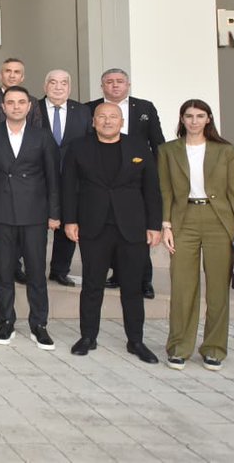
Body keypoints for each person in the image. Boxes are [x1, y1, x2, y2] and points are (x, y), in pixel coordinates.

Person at [62, 102, 162, 364]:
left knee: (132, 287)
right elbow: (69, 186)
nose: (107, 121)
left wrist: (154, 224)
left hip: (132, 228)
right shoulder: (78, 147)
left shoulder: (139, 147)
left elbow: (152, 189)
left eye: (113, 117)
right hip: (93, 226)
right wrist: (69, 220)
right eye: (102, 117)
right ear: (93, 122)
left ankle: (136, 341)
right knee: (92, 285)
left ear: (121, 121)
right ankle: (88, 337)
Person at [159, 99, 234, 371]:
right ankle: (179, 347)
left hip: (218, 221)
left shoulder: (225, 150)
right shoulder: (168, 150)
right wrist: (166, 226)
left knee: (218, 290)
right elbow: (165, 191)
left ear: (208, 119)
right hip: (183, 219)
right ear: (182, 119)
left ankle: (214, 348)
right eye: (189, 116)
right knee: (182, 287)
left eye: (200, 116)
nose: (194, 121)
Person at [0, 86, 60, 350]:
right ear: (2, 107)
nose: (15, 106)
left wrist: (54, 214)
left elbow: (53, 179)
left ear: (30, 106)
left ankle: (39, 325)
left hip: (34, 214)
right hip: (0, 214)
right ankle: (6, 322)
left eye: (21, 102)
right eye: (10, 102)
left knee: (36, 272)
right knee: (3, 272)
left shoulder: (42, 136)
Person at [88, 68, 163, 298]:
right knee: (111, 233)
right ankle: (117, 275)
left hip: (135, 177)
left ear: (128, 85)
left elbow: (157, 142)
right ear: (102, 87)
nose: (115, 86)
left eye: (120, 81)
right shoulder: (90, 108)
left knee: (135, 234)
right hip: (103, 178)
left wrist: (157, 174)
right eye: (109, 82)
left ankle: (144, 280)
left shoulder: (144, 108)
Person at [37, 69, 91, 287]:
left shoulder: (83, 111)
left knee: (68, 221)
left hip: (72, 178)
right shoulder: (33, 108)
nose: (58, 87)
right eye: (53, 82)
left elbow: (89, 143)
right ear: (45, 86)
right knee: (36, 225)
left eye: (63, 83)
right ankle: (33, 268)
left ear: (69, 87)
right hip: (38, 176)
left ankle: (60, 270)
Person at [0, 58, 43, 128]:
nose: (12, 76)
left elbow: (37, 130)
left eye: (16, 72)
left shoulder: (33, 101)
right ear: (0, 76)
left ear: (22, 78)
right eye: (8, 71)